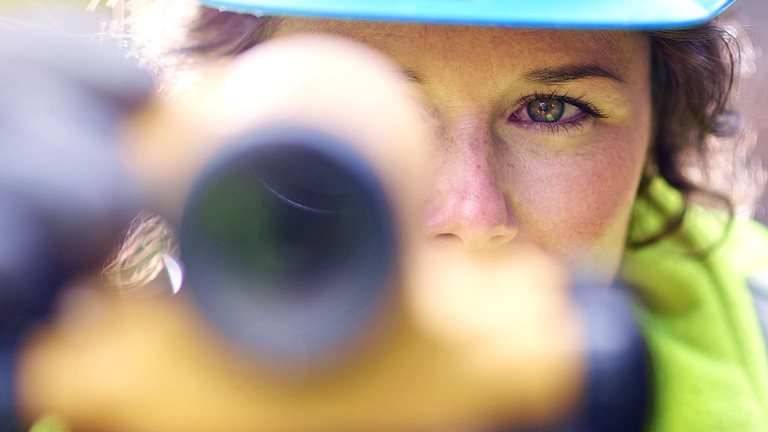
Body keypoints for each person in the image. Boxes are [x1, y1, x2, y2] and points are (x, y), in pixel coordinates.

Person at [10, 0, 768, 431]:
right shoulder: (65, 383)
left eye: (552, 109)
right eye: (378, 106)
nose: (470, 213)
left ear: (660, 129)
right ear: (206, 126)